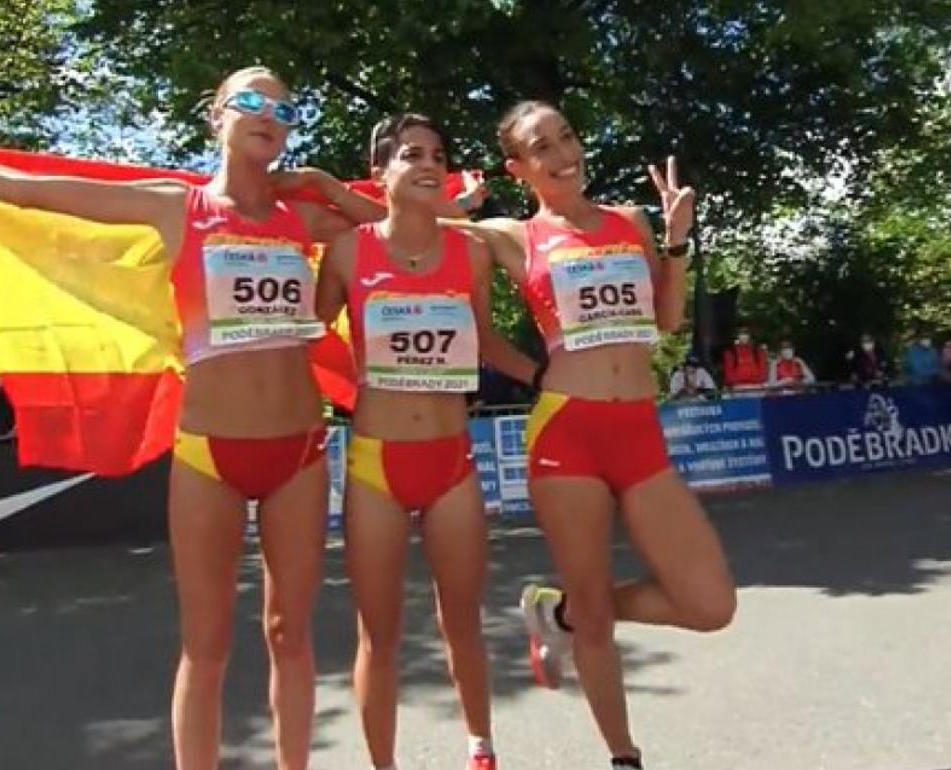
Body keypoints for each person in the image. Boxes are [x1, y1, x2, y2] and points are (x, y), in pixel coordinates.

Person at [0, 66, 383, 770]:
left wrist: (327, 182)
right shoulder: (178, 206)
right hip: (209, 454)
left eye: (284, 108)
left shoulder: (308, 218)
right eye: (250, 101)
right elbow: (28, 191)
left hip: (300, 452)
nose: (269, 114)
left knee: (291, 636)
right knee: (207, 644)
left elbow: (403, 232)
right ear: (216, 116)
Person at [449, 101, 735, 769]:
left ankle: (562, 613)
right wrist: (460, 204)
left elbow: (665, 321)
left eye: (567, 137)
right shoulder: (509, 236)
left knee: (709, 604)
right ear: (519, 169)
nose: (561, 154)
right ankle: (624, 756)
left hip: (638, 429)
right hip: (565, 432)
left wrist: (675, 241)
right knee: (601, 620)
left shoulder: (629, 221)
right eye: (540, 148)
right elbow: (404, 229)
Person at [317, 113, 529, 770]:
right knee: (378, 636)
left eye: (438, 153)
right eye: (412, 154)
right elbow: (301, 330)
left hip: (451, 463)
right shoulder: (349, 250)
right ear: (380, 171)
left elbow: (489, 343)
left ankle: (482, 750)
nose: (429, 163)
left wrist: (553, 376)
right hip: (377, 463)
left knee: (461, 621)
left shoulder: (468, 250)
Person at [721, 326, 767, 390]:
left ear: (750, 336)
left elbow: (763, 369)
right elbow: (728, 371)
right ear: (737, 336)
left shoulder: (758, 350)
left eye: (746, 333)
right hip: (738, 387)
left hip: (756, 386)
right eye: (741, 334)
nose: (744, 336)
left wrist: (760, 383)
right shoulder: (730, 351)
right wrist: (733, 384)